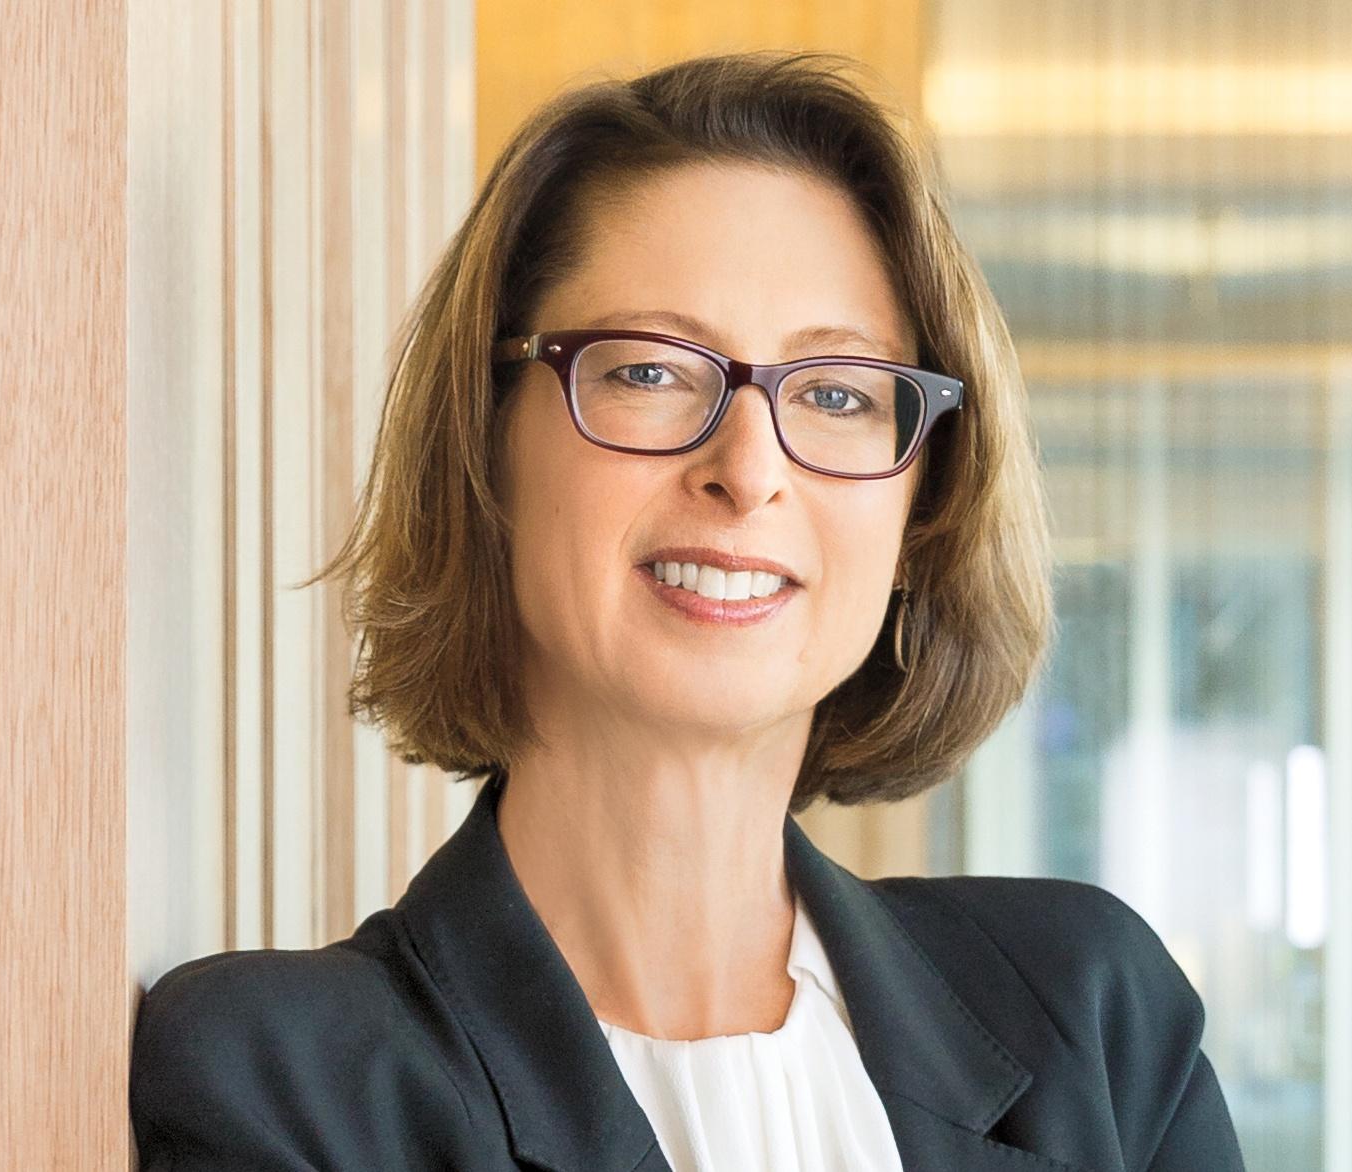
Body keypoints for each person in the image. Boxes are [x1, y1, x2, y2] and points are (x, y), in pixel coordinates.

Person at [129, 49, 1244, 1172]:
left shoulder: (1093, 1020)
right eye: (651, 372)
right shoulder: (280, 1081)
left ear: (922, 508)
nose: (749, 468)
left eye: (838, 394)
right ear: (485, 446)